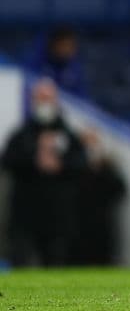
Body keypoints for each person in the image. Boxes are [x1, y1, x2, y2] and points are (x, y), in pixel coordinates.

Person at [0, 78, 87, 267]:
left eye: (48, 98)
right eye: (40, 98)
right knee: (20, 261)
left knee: (55, 263)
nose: (44, 103)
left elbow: (81, 164)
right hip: (25, 214)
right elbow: (7, 161)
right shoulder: (21, 134)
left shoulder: (68, 134)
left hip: (57, 214)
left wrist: (60, 165)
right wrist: (34, 158)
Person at [73, 128, 128, 265]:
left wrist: (103, 169)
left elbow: (120, 191)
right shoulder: (73, 166)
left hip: (104, 223)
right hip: (78, 224)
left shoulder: (108, 167)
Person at [25, 25, 87, 98]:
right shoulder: (35, 63)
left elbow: (82, 98)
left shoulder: (74, 68)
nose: (68, 50)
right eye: (65, 45)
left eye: (71, 46)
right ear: (55, 45)